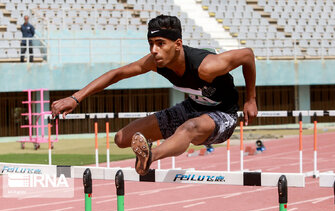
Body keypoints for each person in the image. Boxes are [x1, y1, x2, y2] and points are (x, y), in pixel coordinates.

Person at [51, 15, 257, 176]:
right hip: (192, 109)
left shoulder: (207, 66)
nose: (154, 50)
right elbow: (117, 73)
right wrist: (75, 98)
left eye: (160, 43)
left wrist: (250, 99)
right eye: (151, 44)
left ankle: (151, 156)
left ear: (177, 44)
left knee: (190, 127)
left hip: (223, 114)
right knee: (122, 139)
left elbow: (247, 55)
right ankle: (155, 148)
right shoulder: (155, 62)